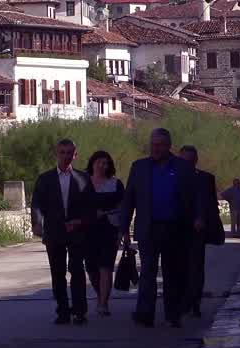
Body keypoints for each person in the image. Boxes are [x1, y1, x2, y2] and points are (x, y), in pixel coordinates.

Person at [120, 128, 198, 328]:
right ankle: (145, 313)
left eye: (160, 145)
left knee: (173, 273)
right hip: (149, 229)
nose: (155, 149)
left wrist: (198, 219)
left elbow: (194, 198)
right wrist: (123, 229)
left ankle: (173, 314)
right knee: (148, 271)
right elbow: (129, 199)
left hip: (175, 229)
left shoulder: (182, 167)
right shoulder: (139, 167)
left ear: (168, 146)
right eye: (153, 145)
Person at [31, 138, 96, 325]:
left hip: (77, 232)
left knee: (77, 270)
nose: (66, 156)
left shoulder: (83, 179)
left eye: (70, 153)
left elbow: (91, 208)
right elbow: (37, 204)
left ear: (75, 155)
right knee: (57, 273)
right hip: (54, 232)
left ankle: (79, 311)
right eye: (62, 152)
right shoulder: (45, 179)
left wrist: (80, 222)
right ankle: (63, 311)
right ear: (56, 154)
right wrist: (36, 223)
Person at [179, 145, 222, 317]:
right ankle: (182, 301)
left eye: (190, 161)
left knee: (196, 268)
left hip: (198, 231)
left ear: (196, 161)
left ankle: (195, 303)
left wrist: (204, 220)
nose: (188, 164)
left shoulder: (206, 179)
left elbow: (211, 204)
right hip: (176, 230)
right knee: (178, 268)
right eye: (184, 161)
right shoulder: (172, 178)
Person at [83, 150, 124, 316]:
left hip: (110, 229)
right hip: (88, 230)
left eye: (105, 163)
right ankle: (100, 294)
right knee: (91, 267)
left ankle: (103, 303)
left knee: (106, 266)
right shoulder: (82, 183)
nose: (102, 165)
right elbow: (76, 206)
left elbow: (124, 207)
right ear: (92, 163)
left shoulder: (116, 184)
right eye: (99, 162)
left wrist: (124, 231)